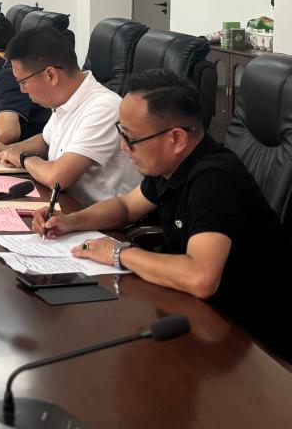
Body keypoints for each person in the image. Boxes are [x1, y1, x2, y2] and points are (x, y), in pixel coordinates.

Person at [32, 69, 292, 362]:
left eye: (130, 139)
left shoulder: (215, 179)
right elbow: (126, 207)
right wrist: (71, 221)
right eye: (121, 133)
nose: (123, 147)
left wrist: (117, 253)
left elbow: (200, 277)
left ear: (176, 138)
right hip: (199, 313)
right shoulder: (169, 165)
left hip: (256, 344)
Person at [0, 26, 140, 205]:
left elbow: (57, 178)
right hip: (65, 205)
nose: (22, 90)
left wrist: (23, 158)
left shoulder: (103, 108)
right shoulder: (66, 99)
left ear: (51, 75)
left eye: (23, 82)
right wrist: (7, 150)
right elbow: (46, 140)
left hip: (97, 216)